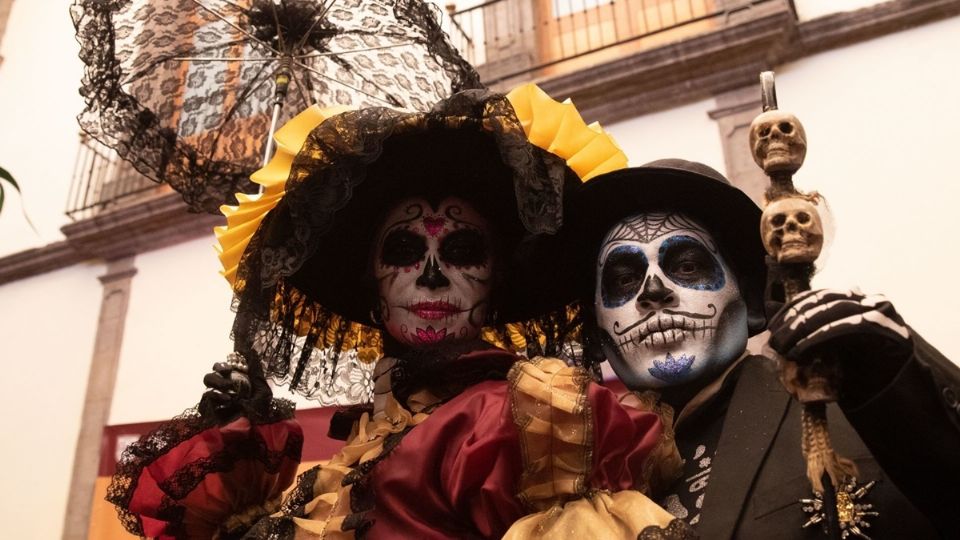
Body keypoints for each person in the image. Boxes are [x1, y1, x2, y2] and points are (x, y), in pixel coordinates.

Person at [108, 88, 695, 539]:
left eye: (463, 253)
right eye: (405, 251)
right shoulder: (363, 444)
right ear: (372, 287)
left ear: (496, 287)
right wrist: (239, 434)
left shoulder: (519, 422)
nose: (433, 274)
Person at [569, 159, 960, 539]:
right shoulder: (582, 473)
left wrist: (898, 384)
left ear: (753, 301)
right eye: (623, 279)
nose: (653, 292)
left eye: (687, 266)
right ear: (596, 330)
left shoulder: (852, 403)